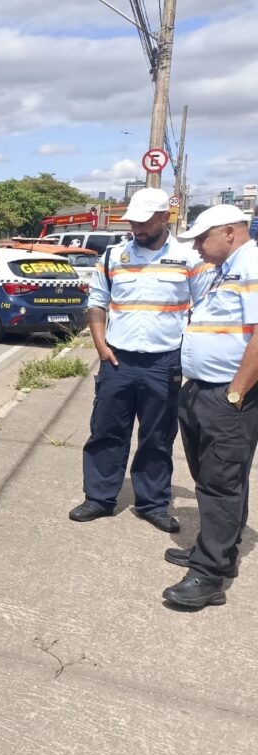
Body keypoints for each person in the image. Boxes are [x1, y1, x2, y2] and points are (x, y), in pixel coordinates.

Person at [69, 187, 213, 533]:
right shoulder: (114, 256)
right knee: (106, 431)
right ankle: (100, 498)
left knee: (157, 437)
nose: (138, 228)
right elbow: (97, 302)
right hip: (117, 360)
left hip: (165, 363)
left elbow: (206, 309)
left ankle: (152, 503)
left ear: (166, 217)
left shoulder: (189, 258)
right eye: (134, 221)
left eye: (146, 221)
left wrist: (190, 356)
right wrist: (101, 346)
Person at [162, 205, 258, 608]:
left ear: (231, 233)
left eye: (203, 238)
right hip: (203, 391)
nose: (197, 246)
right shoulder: (227, 269)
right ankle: (218, 550)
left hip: (227, 396)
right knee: (215, 477)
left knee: (220, 482)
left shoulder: (251, 264)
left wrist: (235, 392)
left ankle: (209, 574)